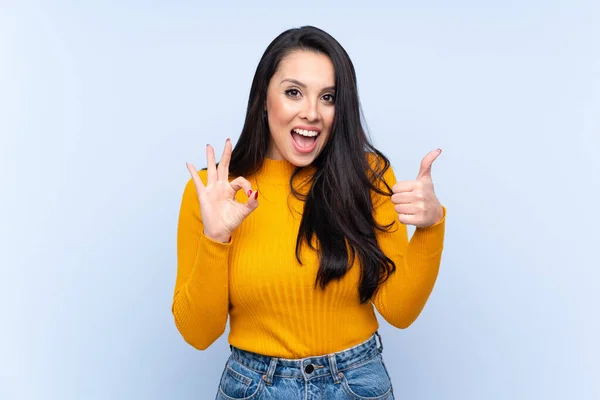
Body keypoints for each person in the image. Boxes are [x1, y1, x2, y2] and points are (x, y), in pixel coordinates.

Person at [172, 25, 446, 400]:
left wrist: (430, 227)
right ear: (264, 98)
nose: (312, 113)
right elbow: (198, 334)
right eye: (293, 92)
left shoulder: (366, 176)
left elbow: (399, 310)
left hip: (355, 382)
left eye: (329, 97)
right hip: (254, 386)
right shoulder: (215, 190)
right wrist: (216, 238)